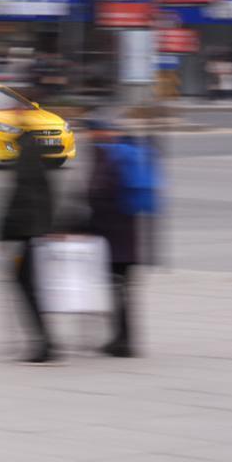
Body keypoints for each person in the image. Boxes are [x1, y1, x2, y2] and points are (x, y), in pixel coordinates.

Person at [83, 119, 148, 357]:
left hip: (114, 240)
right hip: (126, 238)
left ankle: (124, 343)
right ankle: (123, 340)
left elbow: (98, 196)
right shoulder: (124, 156)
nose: (89, 136)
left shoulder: (109, 159)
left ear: (101, 132)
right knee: (122, 292)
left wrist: (84, 226)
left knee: (117, 291)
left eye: (91, 131)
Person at [0, 129, 57, 364]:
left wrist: (5, 233)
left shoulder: (26, 164)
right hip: (33, 236)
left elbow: (19, 203)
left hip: (26, 238)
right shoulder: (38, 163)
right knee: (30, 287)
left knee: (26, 286)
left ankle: (44, 343)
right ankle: (45, 341)